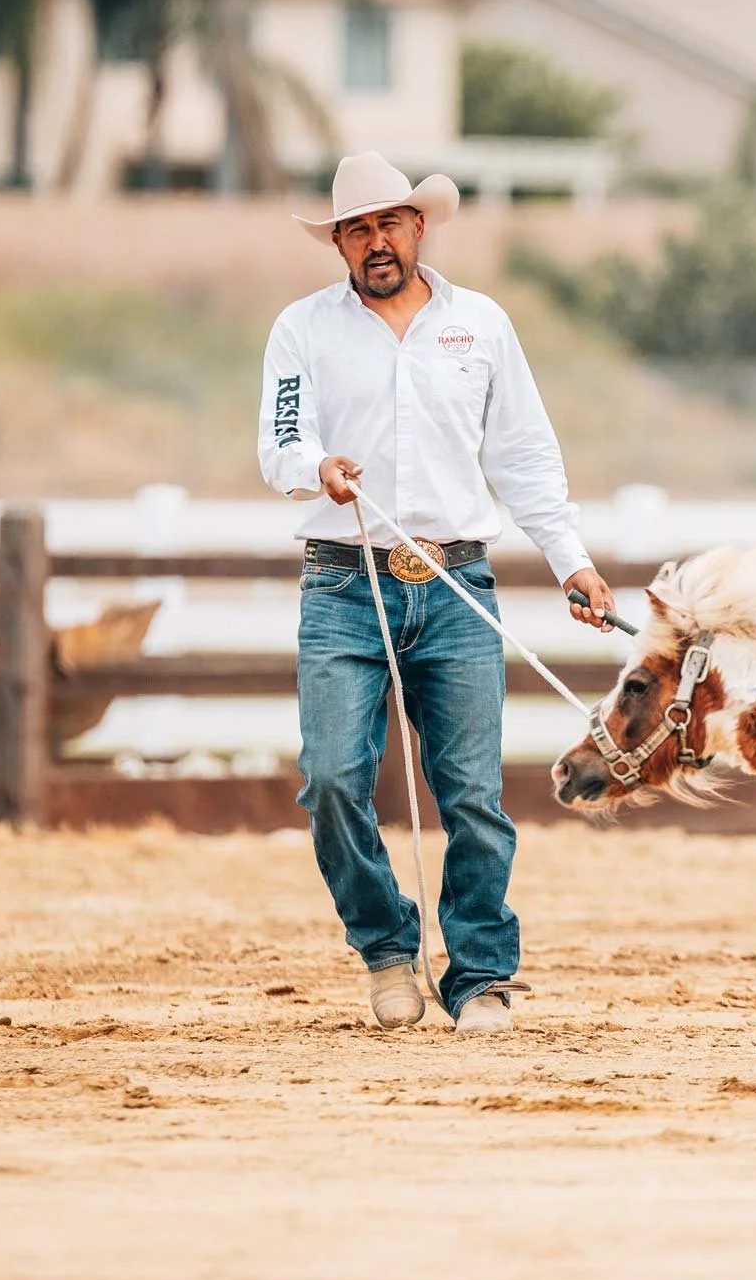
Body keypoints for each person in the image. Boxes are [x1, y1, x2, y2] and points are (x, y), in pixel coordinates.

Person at [259, 151, 615, 1035]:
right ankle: (386, 950)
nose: (375, 242)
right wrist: (318, 469)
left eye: (389, 223)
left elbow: (523, 455)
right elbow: (280, 444)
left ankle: (480, 977)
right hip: (344, 583)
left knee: (472, 796)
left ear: (419, 227)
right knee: (334, 781)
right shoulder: (301, 329)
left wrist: (570, 559)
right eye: (357, 229)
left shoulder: (482, 325)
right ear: (338, 242)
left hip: (457, 580)